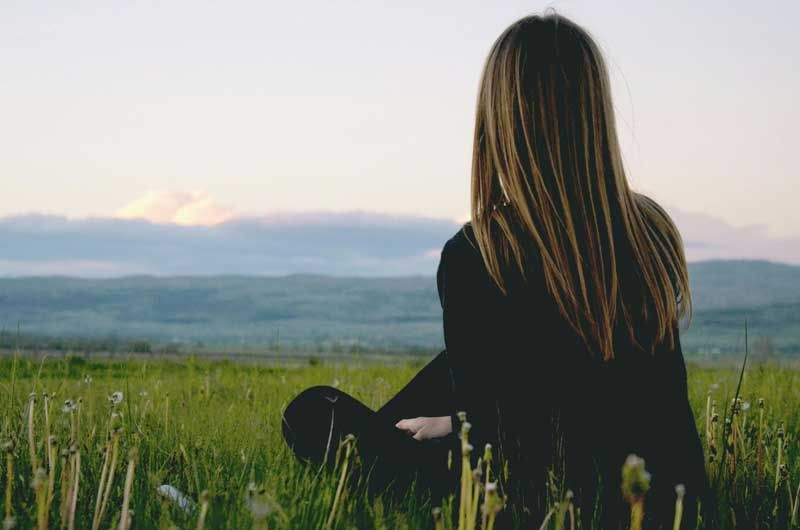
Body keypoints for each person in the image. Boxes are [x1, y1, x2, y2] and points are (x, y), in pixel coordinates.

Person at [282, 12, 707, 529]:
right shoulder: (651, 230)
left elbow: (500, 446)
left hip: (532, 500)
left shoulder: (480, 252)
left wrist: (457, 426)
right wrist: (457, 419)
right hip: (664, 497)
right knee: (452, 368)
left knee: (311, 413)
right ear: (596, 112)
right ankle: (409, 433)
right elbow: (606, 394)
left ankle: (384, 453)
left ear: (501, 119)